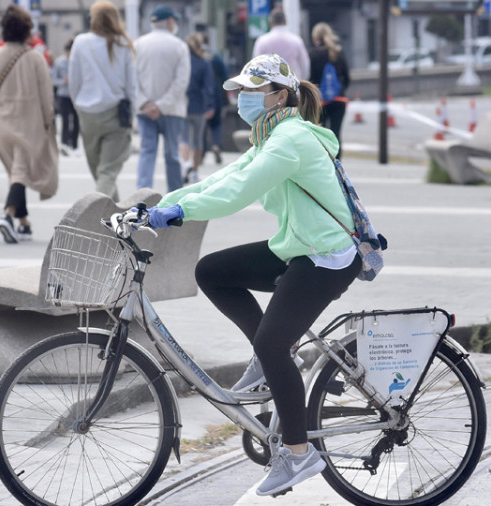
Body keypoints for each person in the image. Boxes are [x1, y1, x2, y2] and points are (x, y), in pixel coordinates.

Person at [146, 53, 359, 496]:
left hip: (326, 256)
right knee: (212, 272)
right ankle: (269, 364)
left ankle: (300, 455)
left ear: (280, 95)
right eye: (240, 90)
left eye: (251, 90)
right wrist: (160, 205)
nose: (241, 98)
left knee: (272, 340)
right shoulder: (272, 135)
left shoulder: (291, 140)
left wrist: (179, 213)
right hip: (298, 247)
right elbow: (222, 179)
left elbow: (237, 193)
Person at [0, 4, 58, 244]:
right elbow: (47, 97)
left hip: (0, 122)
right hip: (28, 123)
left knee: (17, 171)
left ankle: (23, 223)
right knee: (21, 169)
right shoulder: (35, 60)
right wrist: (48, 123)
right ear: (27, 32)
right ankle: (7, 215)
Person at [69, 1, 137, 201]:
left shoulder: (80, 42)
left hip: (88, 115)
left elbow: (74, 80)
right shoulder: (123, 44)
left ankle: (111, 218)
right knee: (106, 173)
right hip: (115, 113)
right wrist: (132, 113)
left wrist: (78, 105)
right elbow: (131, 85)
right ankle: (96, 213)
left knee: (101, 172)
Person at [134, 5, 190, 193]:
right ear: (169, 22)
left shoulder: (138, 45)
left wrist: (145, 103)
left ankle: (142, 195)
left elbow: (131, 79)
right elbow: (182, 81)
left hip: (144, 110)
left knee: (147, 152)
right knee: (172, 154)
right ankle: (175, 195)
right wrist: (162, 105)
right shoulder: (179, 46)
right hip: (172, 110)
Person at [308, 22, 350, 158]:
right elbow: (347, 77)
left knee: (320, 136)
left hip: (321, 101)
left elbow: (311, 79)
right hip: (339, 99)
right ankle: (338, 169)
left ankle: (325, 166)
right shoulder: (339, 52)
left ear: (315, 38)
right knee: (336, 134)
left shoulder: (313, 54)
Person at [179, 33, 215, 185]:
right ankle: (194, 171)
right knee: (198, 140)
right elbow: (209, 86)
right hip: (199, 105)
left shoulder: (182, 62)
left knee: (184, 138)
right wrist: (210, 105)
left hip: (183, 104)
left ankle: (186, 163)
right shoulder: (204, 63)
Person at [252, 7, 309, 79]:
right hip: (292, 85)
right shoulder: (296, 41)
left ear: (270, 23)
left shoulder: (261, 41)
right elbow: (305, 65)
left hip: (269, 86)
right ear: (286, 22)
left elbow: (255, 66)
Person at [201, 32, 229, 164]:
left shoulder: (196, 55)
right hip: (216, 90)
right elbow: (224, 74)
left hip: (200, 93)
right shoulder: (215, 55)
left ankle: (200, 152)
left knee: (201, 125)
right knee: (216, 123)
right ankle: (216, 145)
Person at [52, 38, 80, 152]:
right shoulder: (59, 62)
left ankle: (74, 144)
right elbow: (53, 79)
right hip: (63, 95)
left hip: (76, 95)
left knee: (76, 120)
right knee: (65, 120)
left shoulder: (79, 62)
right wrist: (63, 81)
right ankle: (64, 144)